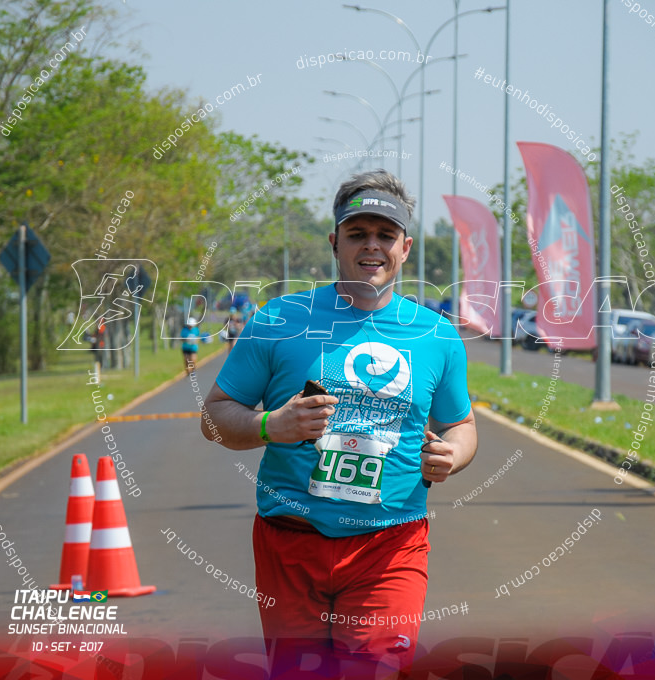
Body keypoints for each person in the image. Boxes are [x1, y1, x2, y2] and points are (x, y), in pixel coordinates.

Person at [202, 169, 478, 677]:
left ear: (405, 247)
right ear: (335, 241)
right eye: (357, 234)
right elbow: (214, 418)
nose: (371, 246)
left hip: (389, 546)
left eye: (385, 235)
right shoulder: (280, 319)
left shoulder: (436, 334)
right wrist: (271, 426)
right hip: (290, 541)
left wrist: (453, 455)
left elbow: (461, 425)